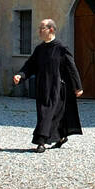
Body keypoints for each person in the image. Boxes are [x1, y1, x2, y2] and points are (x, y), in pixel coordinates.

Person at [14, 19, 84, 153]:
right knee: (46, 113)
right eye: (40, 28)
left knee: (47, 113)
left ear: (51, 30)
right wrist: (21, 75)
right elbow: (30, 65)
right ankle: (60, 137)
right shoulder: (39, 49)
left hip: (57, 87)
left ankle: (41, 142)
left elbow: (71, 68)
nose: (39, 31)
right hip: (42, 87)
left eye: (42, 28)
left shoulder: (61, 48)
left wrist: (78, 86)